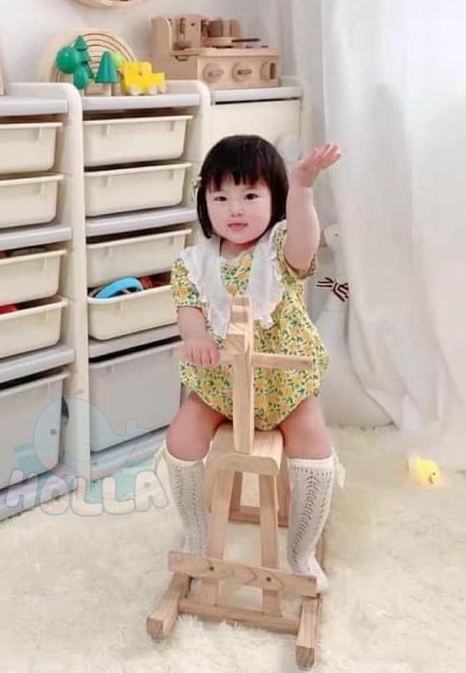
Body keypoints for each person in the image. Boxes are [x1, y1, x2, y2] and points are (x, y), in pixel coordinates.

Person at [165, 134, 342, 592]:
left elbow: (305, 246)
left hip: (283, 387)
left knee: (314, 446)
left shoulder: (278, 250)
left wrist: (303, 188)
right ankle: (196, 530)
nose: (235, 210)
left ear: (274, 198)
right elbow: (188, 308)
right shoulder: (193, 263)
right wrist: (197, 337)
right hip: (221, 385)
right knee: (181, 438)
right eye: (221, 197)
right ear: (205, 202)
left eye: (250, 196)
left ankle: (301, 549)